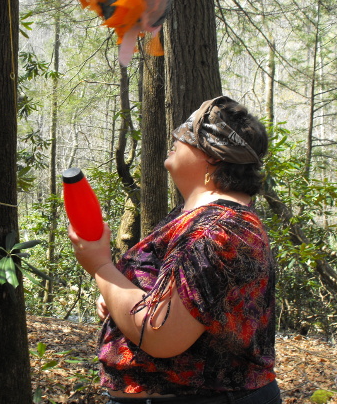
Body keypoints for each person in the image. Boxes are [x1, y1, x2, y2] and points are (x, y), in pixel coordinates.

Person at [68, 96, 281, 404]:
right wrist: (118, 296)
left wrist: (101, 267)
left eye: (188, 131)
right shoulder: (199, 218)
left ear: (213, 156)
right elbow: (173, 301)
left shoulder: (218, 228)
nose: (175, 136)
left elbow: (161, 334)